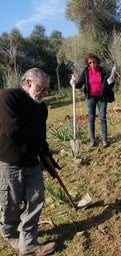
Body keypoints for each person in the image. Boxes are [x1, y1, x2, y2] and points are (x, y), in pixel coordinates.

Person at [0, 68, 60, 255]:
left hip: (32, 162)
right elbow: (14, 130)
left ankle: (28, 244)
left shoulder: (41, 107)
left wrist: (47, 155)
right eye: (41, 88)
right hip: (9, 161)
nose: (44, 93)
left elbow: (40, 136)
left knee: (36, 200)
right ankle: (11, 236)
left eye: (47, 89)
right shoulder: (8, 97)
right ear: (27, 83)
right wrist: (39, 141)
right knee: (10, 205)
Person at [70, 53, 116, 148]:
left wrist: (112, 80)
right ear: (87, 63)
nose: (92, 64)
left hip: (102, 97)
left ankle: (104, 140)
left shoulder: (102, 71)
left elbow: (109, 84)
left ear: (97, 62)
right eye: (89, 62)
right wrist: (73, 83)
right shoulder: (86, 72)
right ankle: (92, 140)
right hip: (90, 98)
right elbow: (79, 84)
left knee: (102, 117)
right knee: (91, 118)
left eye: (94, 62)